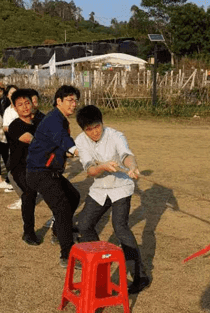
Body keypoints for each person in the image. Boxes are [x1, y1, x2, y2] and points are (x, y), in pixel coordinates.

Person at [75, 105, 150, 294]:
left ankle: (140, 276)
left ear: (102, 122)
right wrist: (104, 167)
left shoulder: (116, 135)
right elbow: (90, 170)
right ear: (83, 130)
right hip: (100, 189)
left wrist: (132, 166)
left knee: (120, 227)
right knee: (84, 225)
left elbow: (126, 155)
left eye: (96, 127)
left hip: (120, 189)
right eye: (89, 129)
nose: (94, 132)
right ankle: (101, 262)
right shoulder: (81, 141)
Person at [26, 85, 81, 267]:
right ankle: (67, 254)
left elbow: (58, 145)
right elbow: (62, 139)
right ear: (59, 101)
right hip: (39, 172)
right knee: (62, 207)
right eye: (70, 100)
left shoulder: (60, 119)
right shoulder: (54, 120)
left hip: (50, 171)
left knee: (73, 197)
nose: (74, 104)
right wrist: (74, 149)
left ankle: (59, 231)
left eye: (75, 101)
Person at [6, 89, 45, 244]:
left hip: (39, 166)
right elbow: (33, 141)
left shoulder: (39, 122)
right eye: (20, 105)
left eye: (27, 103)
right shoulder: (15, 126)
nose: (25, 107)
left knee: (63, 193)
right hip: (20, 168)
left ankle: (61, 226)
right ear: (15, 108)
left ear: (33, 103)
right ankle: (28, 232)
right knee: (29, 194)